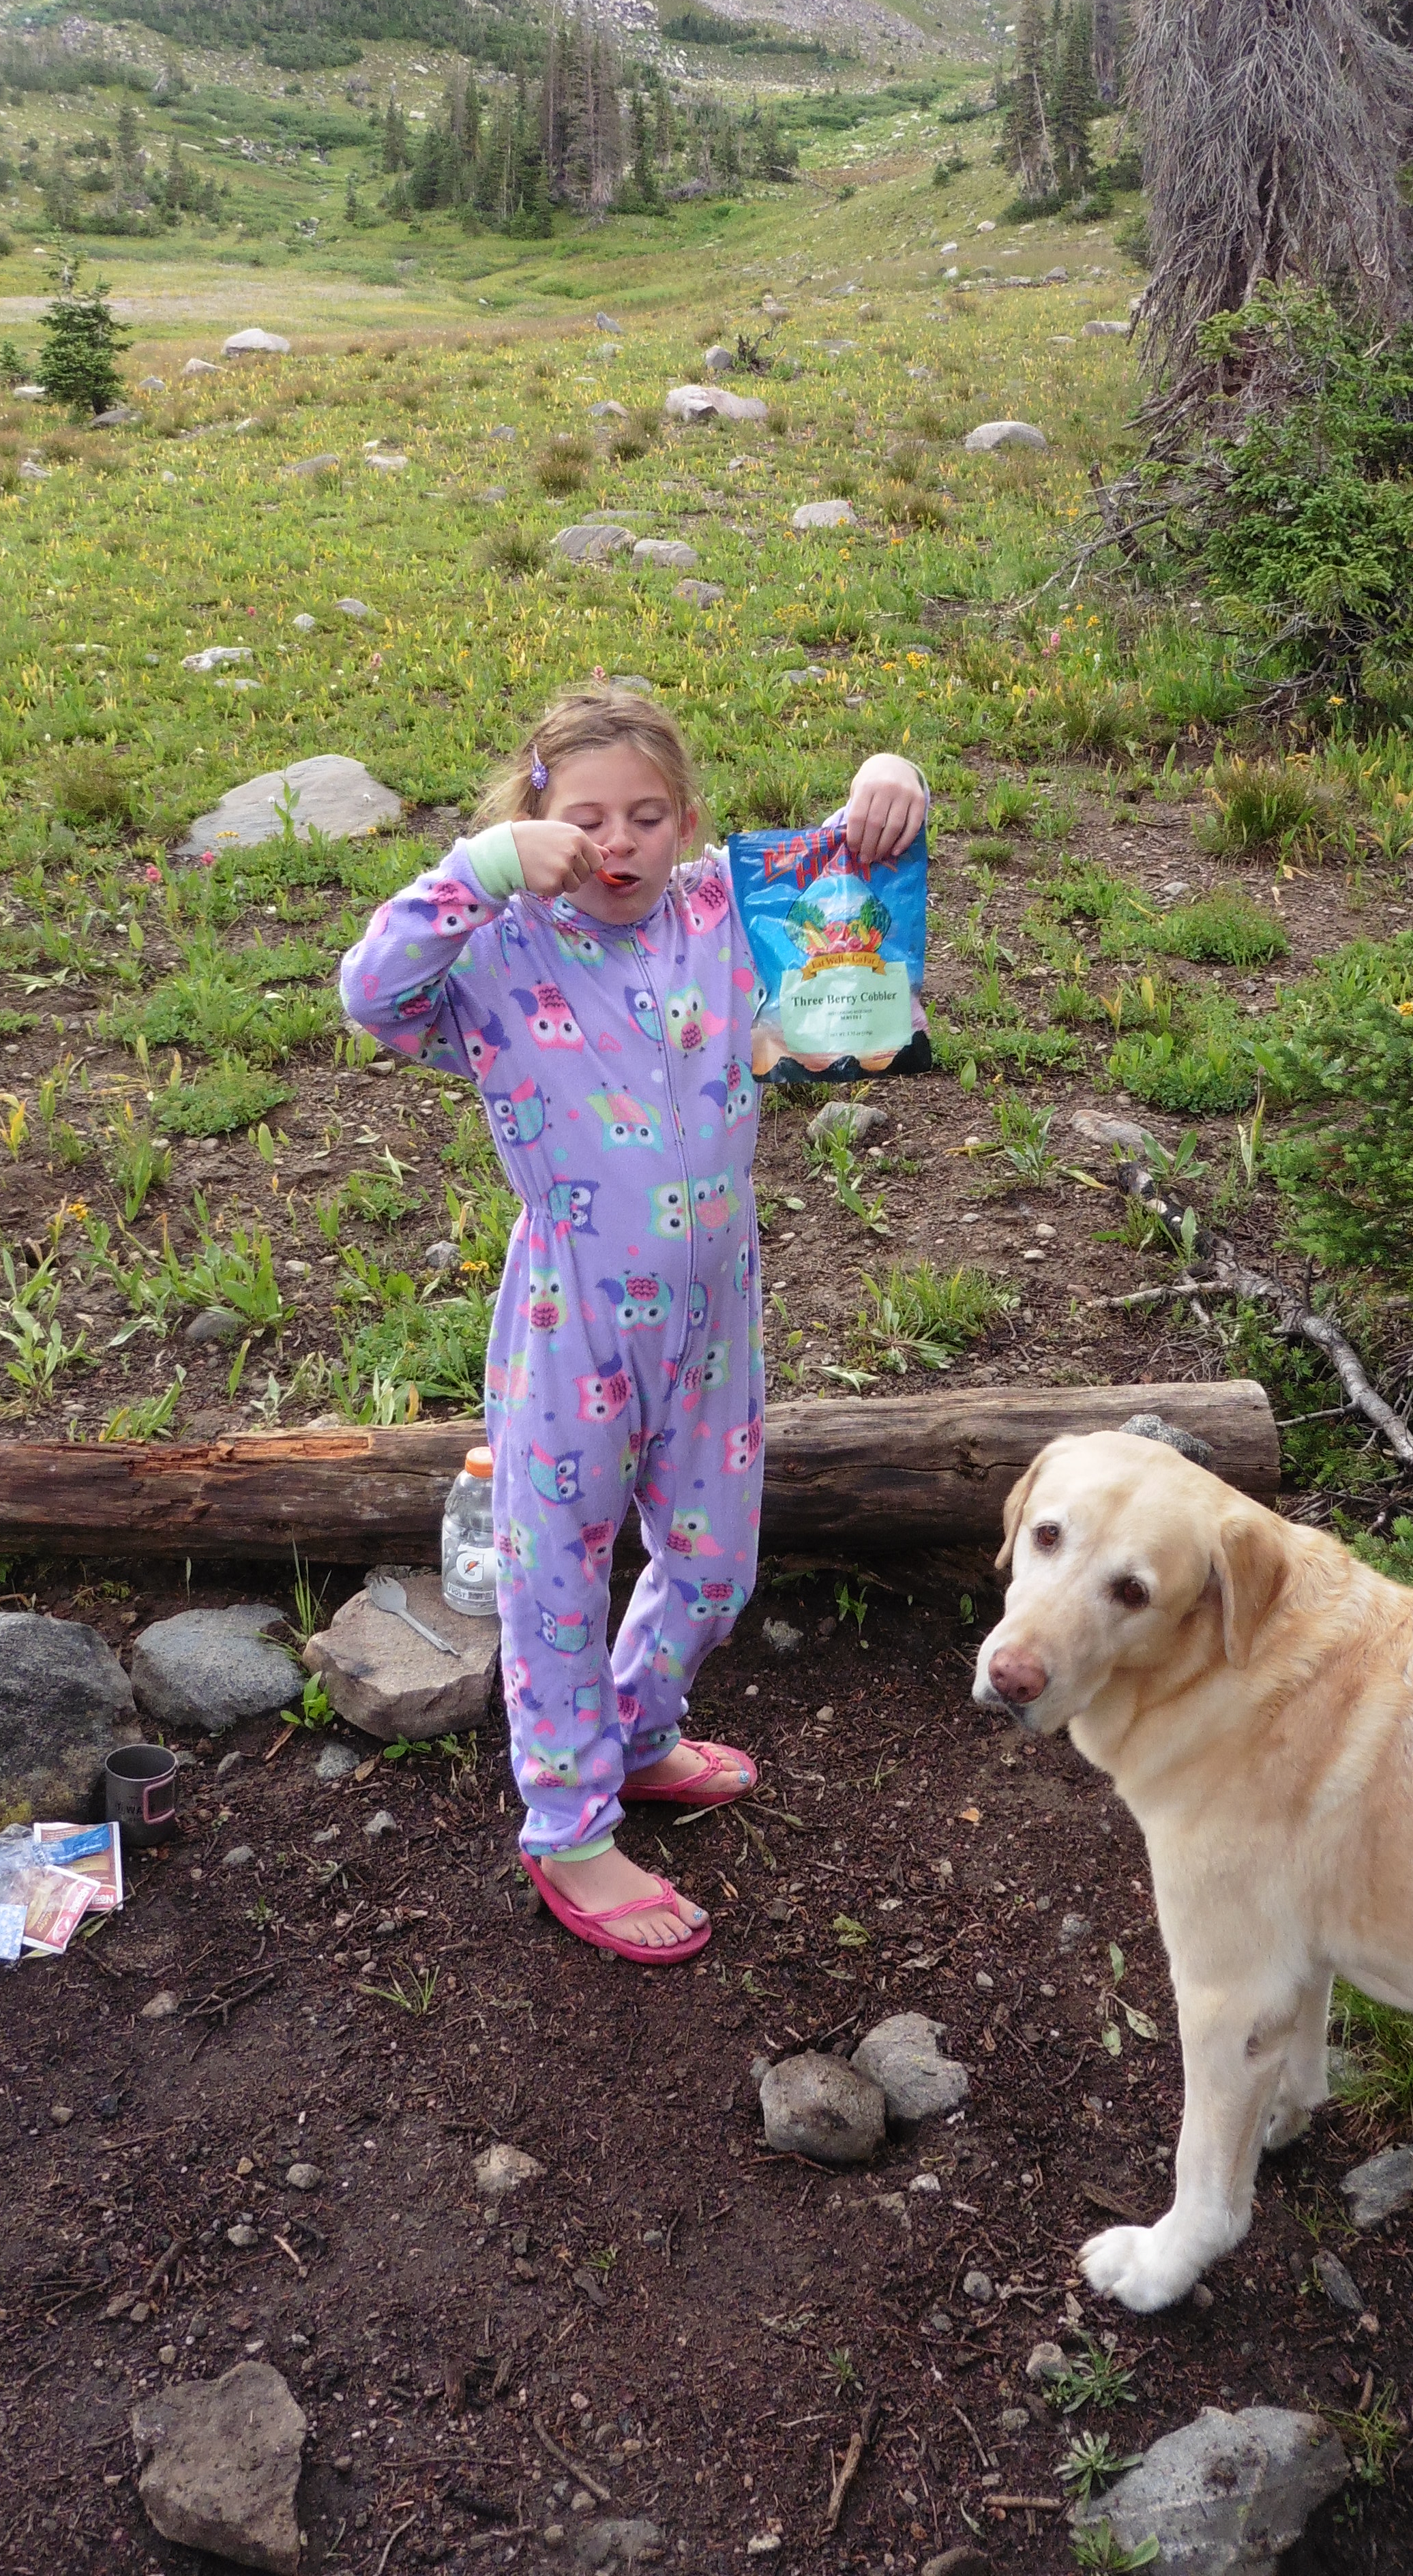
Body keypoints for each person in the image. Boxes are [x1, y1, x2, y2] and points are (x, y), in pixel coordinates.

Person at [339, 687, 926, 1961]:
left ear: (688, 823)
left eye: (650, 816)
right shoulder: (499, 951)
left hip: (719, 1310)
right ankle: (570, 1828)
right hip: (575, 1318)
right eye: (587, 817)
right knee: (558, 1574)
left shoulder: (724, 910)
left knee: (715, 1566)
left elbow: (852, 865)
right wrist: (480, 872)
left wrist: (888, 776)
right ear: (537, 820)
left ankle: (640, 1727)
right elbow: (370, 996)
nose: (621, 843)